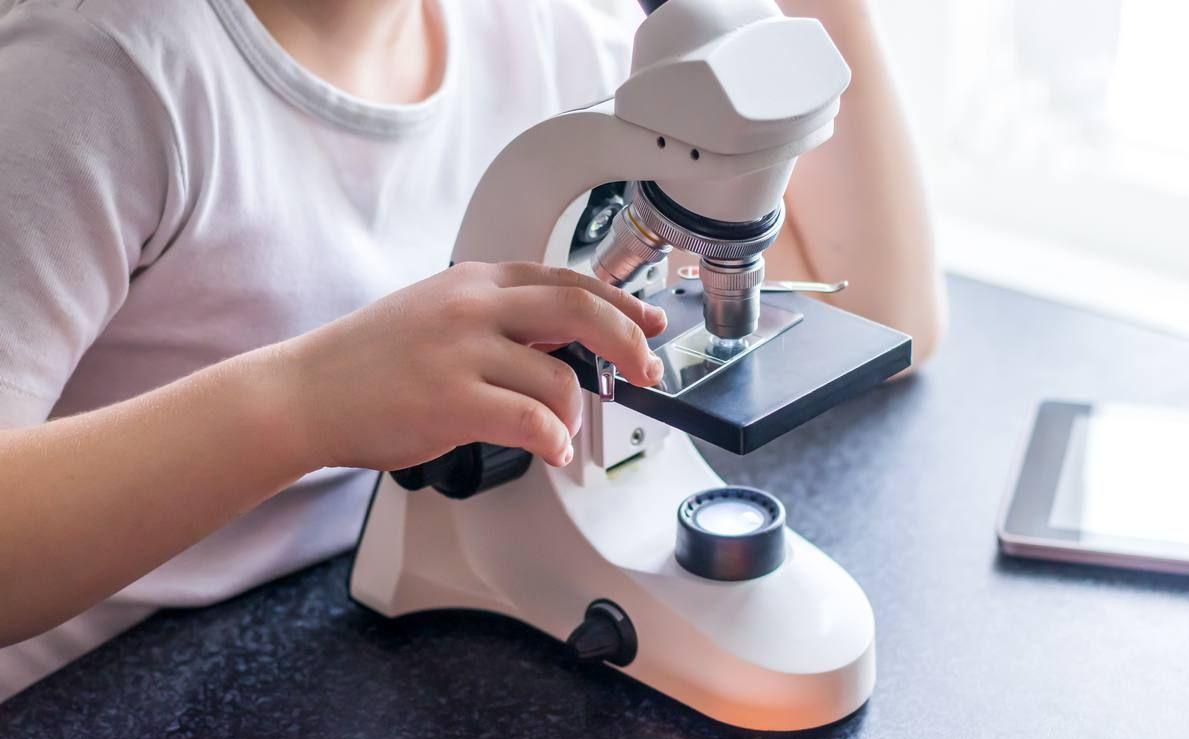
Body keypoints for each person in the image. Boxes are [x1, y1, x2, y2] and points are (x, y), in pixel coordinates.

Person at [0, 0, 944, 700]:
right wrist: (308, 402)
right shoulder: (98, 70)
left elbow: (890, 308)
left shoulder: (546, 31)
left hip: (361, 640)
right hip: (94, 699)